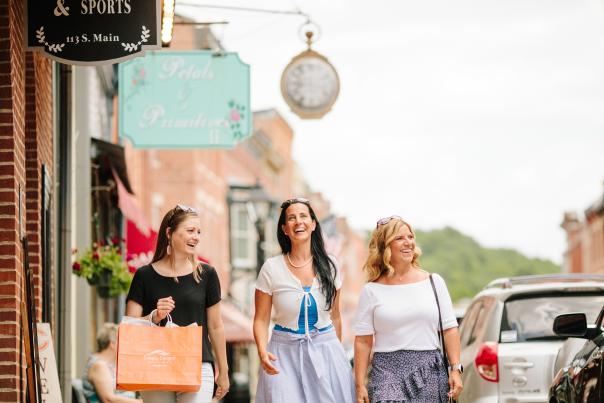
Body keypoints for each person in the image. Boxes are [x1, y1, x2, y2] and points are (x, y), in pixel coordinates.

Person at [254, 197, 356, 403]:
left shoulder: (331, 266)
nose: (298, 221)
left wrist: (335, 354)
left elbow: (335, 317)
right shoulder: (271, 268)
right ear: (284, 229)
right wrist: (263, 351)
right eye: (291, 218)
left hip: (326, 350)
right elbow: (261, 319)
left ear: (313, 224)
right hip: (282, 354)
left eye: (303, 216)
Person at [125, 204, 229, 402]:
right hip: (155, 365)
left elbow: (216, 326)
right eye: (190, 230)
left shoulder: (207, 275)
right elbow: (130, 324)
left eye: (198, 232)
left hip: (197, 365)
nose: (196, 237)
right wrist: (154, 316)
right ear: (169, 233)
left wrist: (223, 371)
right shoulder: (144, 276)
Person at [354, 216, 463, 403]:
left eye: (410, 237)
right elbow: (363, 341)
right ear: (385, 246)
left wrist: (455, 369)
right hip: (386, 374)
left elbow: (449, 328)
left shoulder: (434, 282)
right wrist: (360, 384)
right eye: (399, 238)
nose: (408, 243)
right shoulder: (371, 291)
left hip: (430, 371)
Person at [82, 323, 142, 403]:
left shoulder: (109, 364)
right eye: (123, 341)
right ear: (112, 344)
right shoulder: (99, 366)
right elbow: (108, 399)